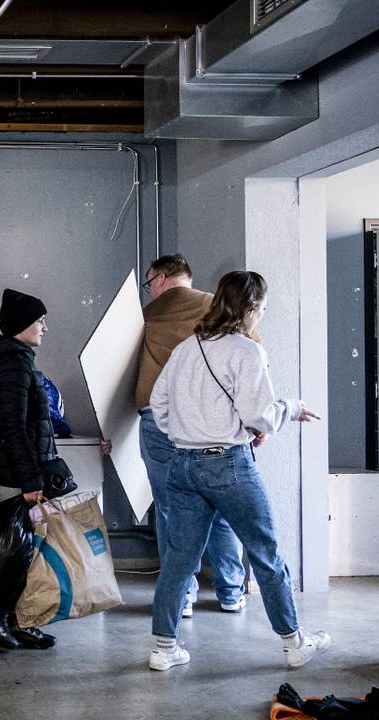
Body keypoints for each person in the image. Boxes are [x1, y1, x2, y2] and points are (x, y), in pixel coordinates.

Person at [147, 270, 330, 671]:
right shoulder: (247, 351)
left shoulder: (186, 348)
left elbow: (158, 404)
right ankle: (294, 643)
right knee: (265, 554)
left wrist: (187, 432)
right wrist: (293, 408)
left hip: (182, 464)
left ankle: (164, 648)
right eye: (261, 309)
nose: (261, 316)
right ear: (250, 308)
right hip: (227, 464)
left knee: (179, 562)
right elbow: (260, 416)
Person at [136, 254, 246, 617]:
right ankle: (231, 591)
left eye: (150, 282)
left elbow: (119, 375)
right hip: (215, 423)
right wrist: (254, 423)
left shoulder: (141, 318)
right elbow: (252, 358)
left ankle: (182, 595)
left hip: (159, 421)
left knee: (170, 508)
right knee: (222, 509)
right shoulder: (218, 308)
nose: (149, 290)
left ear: (163, 277)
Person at [0, 288, 73, 651]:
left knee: (26, 551)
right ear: (21, 325)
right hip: (15, 474)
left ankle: (20, 620)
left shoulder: (16, 359)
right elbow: (13, 426)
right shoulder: (13, 363)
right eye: (39, 320)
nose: (44, 327)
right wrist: (30, 479)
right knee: (20, 553)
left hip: (17, 469)